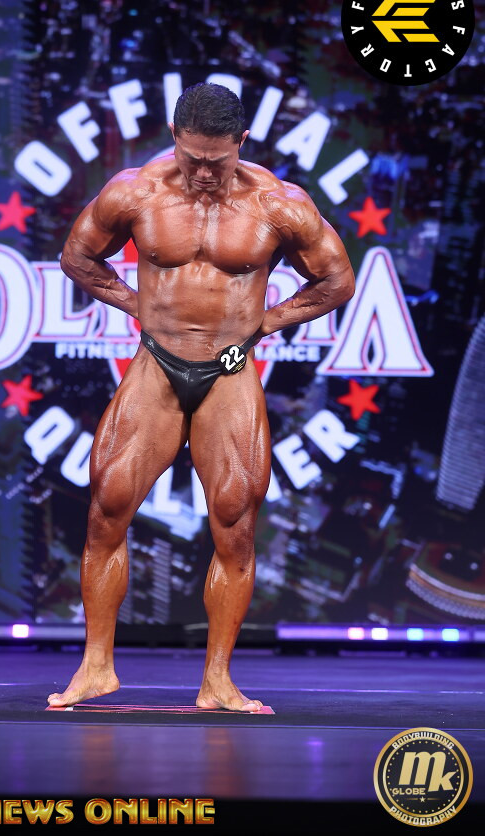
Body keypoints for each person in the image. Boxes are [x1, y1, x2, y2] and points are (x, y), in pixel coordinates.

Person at [48, 83, 355, 712]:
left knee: (235, 524)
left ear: (241, 142)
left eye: (217, 160)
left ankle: (217, 680)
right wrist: (134, 303)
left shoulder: (279, 204)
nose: (204, 173)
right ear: (174, 138)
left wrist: (268, 321)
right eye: (192, 159)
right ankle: (96, 668)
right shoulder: (135, 191)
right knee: (107, 507)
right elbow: (77, 256)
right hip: (156, 365)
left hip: (231, 368)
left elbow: (337, 280)